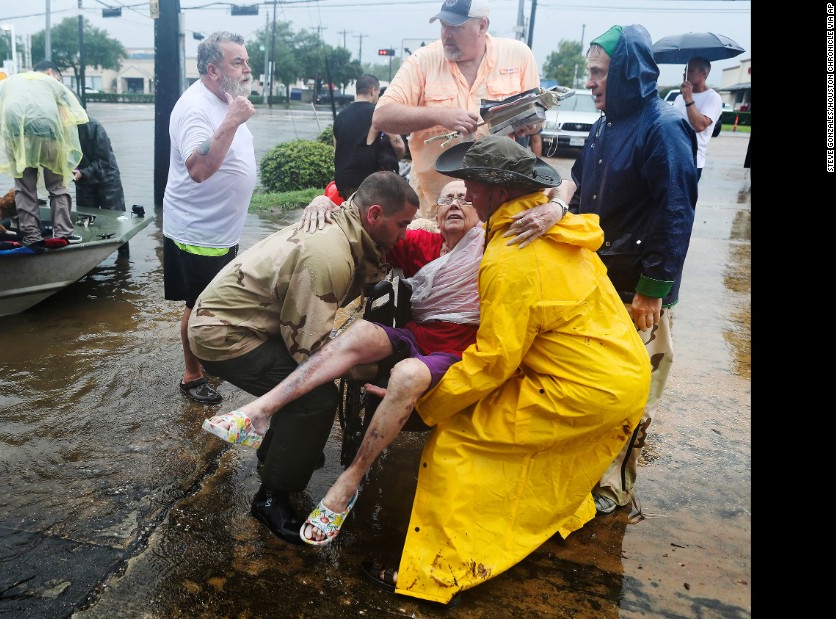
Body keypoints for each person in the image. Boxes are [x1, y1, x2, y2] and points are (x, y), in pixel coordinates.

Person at [358, 135, 651, 603]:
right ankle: (551, 518)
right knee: (534, 449)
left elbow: (494, 361)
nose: (465, 192)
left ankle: (434, 574)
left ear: (497, 191)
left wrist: (429, 402)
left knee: (458, 442)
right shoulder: (558, 226)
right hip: (623, 373)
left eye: (472, 183)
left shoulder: (511, 257)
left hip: (584, 387)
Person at [201, 179, 485, 543]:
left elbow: (556, 205)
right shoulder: (417, 243)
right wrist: (322, 199)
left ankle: (342, 480)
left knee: (386, 376)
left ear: (483, 211)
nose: (456, 204)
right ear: (435, 212)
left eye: (466, 198)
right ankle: (265, 436)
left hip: (455, 351)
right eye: (447, 199)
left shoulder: (493, 246)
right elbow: (362, 204)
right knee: (324, 388)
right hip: (234, 332)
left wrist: (555, 207)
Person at [559, 25, 698, 517]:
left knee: (633, 393)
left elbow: (676, 213)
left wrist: (653, 291)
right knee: (599, 385)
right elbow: (579, 180)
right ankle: (585, 470)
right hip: (602, 280)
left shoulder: (663, 126)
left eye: (598, 73)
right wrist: (557, 203)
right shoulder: (605, 124)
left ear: (625, 74)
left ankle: (615, 485)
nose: (591, 82)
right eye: (591, 73)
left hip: (640, 292)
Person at [373, 0, 544, 219]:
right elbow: (381, 116)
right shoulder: (423, 61)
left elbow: (536, 117)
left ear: (482, 26)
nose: (447, 34)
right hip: (437, 206)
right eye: (444, 25)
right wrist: (440, 116)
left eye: (456, 27)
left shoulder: (518, 56)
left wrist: (528, 124)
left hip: (497, 204)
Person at [162, 31, 257, 405]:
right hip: (197, 230)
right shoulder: (195, 108)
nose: (247, 68)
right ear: (213, 69)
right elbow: (199, 168)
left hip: (222, 228)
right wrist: (232, 120)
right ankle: (191, 374)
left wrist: (233, 115)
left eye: (246, 60)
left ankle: (206, 357)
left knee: (212, 301)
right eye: (238, 62)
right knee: (199, 304)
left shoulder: (228, 99)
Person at [0, 60, 88, 252]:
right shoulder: (52, 83)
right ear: (50, 72)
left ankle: (32, 236)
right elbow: (70, 116)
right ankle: (63, 233)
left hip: (16, 131)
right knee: (57, 185)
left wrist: (13, 137)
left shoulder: (8, 82)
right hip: (47, 130)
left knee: (24, 187)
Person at [332, 73, 404, 200]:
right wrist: (397, 157)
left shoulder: (341, 115)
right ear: (373, 90)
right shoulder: (379, 113)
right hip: (370, 182)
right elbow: (398, 144)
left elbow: (336, 149)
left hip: (344, 182)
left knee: (353, 217)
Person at [73, 117, 130, 257]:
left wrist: (83, 173)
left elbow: (104, 161)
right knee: (85, 225)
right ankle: (88, 263)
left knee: (116, 223)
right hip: (83, 181)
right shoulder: (63, 130)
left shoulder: (95, 127)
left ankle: (123, 260)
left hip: (107, 179)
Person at [672, 56, 722, 180]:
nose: (685, 74)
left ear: (703, 74)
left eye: (690, 70)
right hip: (672, 156)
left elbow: (699, 126)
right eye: (685, 70)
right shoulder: (679, 97)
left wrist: (688, 99)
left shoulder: (712, 98)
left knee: (683, 199)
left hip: (691, 160)